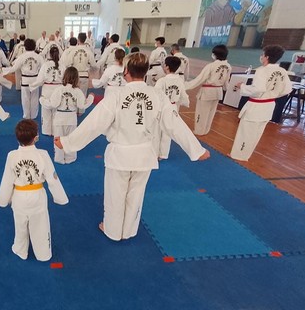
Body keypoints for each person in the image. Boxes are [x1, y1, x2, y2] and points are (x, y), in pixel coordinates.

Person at [54, 53, 210, 241]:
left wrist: (68, 142)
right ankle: (128, 231)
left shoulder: (117, 95)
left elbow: (94, 124)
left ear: (126, 72)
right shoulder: (157, 95)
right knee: (135, 196)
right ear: (145, 72)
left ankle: (112, 230)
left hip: (120, 155)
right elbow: (174, 124)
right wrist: (197, 149)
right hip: (144, 155)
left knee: (115, 196)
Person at [0, 119, 69, 261]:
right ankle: (43, 254)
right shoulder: (43, 154)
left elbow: (7, 180)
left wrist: (3, 200)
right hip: (37, 196)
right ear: (36, 138)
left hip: (19, 197)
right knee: (40, 225)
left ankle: (20, 250)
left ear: (17, 138)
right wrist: (60, 197)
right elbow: (52, 178)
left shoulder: (12, 155)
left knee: (20, 224)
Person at [230, 45, 292, 161]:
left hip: (256, 106)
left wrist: (242, 86)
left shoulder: (261, 71)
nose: (261, 57)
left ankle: (239, 156)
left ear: (266, 57)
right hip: (269, 106)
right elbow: (287, 89)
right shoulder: (282, 71)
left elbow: (258, 89)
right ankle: (245, 155)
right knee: (256, 134)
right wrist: (273, 94)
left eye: (262, 55)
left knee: (246, 132)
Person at [42, 67, 94, 164]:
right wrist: (91, 98)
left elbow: (52, 104)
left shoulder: (59, 89)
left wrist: (42, 100)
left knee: (58, 139)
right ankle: (70, 158)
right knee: (71, 139)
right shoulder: (78, 91)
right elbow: (82, 105)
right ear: (76, 78)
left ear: (65, 76)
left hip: (59, 118)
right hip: (71, 118)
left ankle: (59, 158)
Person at [185, 44, 232, 135]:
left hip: (208, 92)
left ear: (216, 54)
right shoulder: (228, 66)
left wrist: (185, 86)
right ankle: (206, 130)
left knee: (202, 112)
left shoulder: (211, 66)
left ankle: (199, 131)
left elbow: (199, 79)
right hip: (218, 92)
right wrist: (226, 88)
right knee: (211, 112)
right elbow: (226, 82)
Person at [155, 56, 190, 160]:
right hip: (173, 106)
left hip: (161, 107)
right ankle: (163, 154)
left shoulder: (162, 81)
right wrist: (186, 103)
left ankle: (156, 152)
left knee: (157, 130)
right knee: (167, 131)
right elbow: (183, 95)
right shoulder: (179, 80)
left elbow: (155, 95)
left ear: (166, 67)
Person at [2, 39, 44, 119]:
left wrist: (3, 70)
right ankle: (34, 115)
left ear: (25, 47)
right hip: (35, 80)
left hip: (25, 80)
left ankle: (26, 115)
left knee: (25, 99)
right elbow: (43, 68)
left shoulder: (22, 57)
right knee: (34, 99)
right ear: (34, 47)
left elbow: (14, 68)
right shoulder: (38, 57)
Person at [30, 46, 65, 136]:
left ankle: (47, 131)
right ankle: (55, 131)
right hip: (59, 89)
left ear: (49, 54)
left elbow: (40, 80)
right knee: (56, 110)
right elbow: (65, 79)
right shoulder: (62, 65)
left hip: (47, 89)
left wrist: (32, 86)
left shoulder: (45, 65)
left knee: (46, 110)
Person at [60, 33, 96, 100]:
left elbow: (67, 63)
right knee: (83, 95)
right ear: (85, 40)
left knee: (74, 95)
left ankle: (75, 109)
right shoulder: (89, 51)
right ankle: (82, 109)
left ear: (78, 39)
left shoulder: (73, 51)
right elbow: (94, 65)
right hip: (85, 75)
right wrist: (88, 67)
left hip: (75, 75)